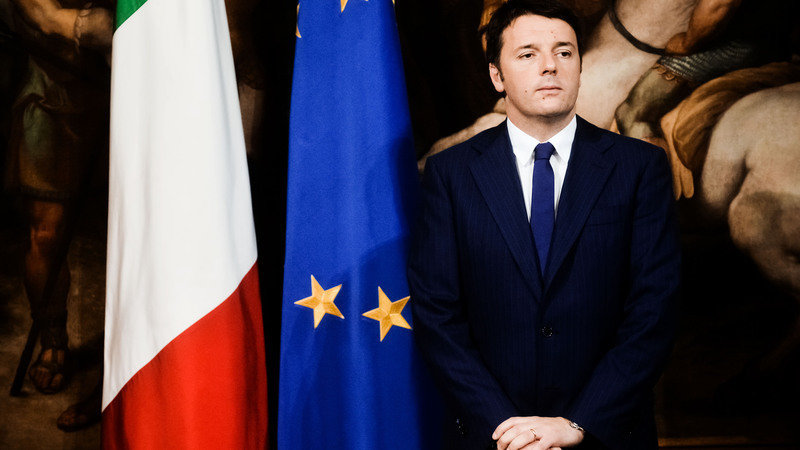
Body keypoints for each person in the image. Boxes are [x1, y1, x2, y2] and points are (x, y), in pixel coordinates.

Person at [407, 1, 680, 449]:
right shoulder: (450, 173)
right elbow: (437, 315)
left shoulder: (639, 167)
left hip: (605, 435)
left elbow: (655, 310)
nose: (550, 66)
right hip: (491, 436)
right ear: (497, 75)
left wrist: (577, 423)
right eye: (528, 54)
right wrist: (508, 428)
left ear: (579, 67)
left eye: (564, 52)